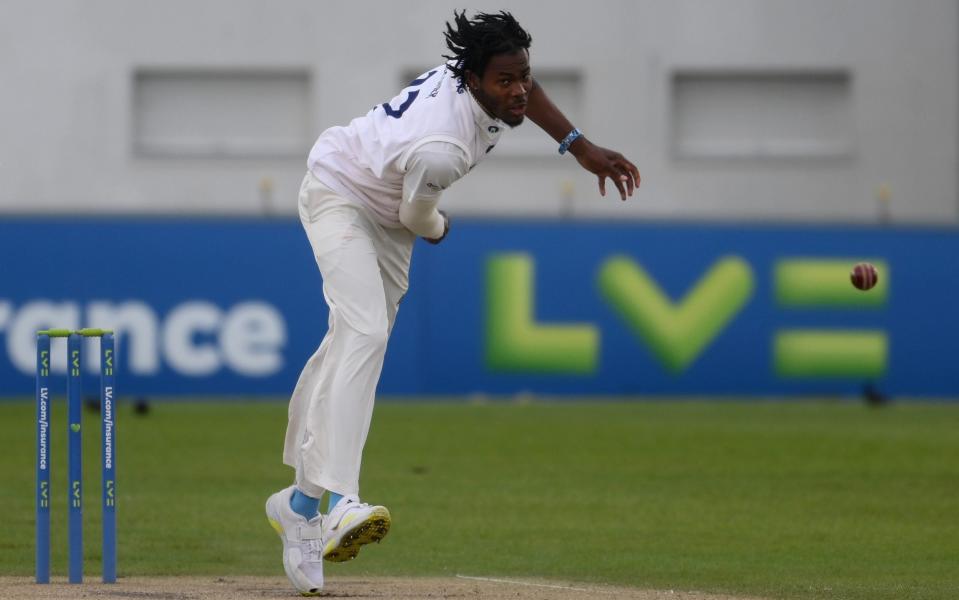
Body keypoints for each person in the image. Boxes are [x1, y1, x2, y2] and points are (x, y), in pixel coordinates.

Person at [265, 10, 640, 595]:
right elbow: (419, 217)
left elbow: (527, 92)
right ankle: (340, 503)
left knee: (353, 340)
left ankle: (299, 503)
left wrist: (579, 146)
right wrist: (440, 229)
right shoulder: (443, 144)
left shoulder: (482, 77)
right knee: (363, 334)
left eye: (522, 77)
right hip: (340, 193)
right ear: (471, 78)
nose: (517, 91)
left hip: (389, 212)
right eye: (504, 82)